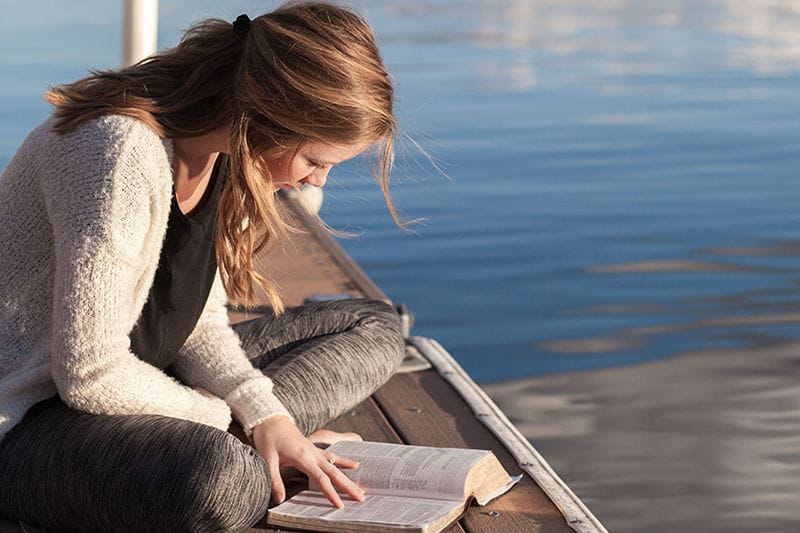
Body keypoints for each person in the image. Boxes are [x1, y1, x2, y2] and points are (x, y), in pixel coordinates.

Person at [0, 2, 407, 531]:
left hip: (145, 381)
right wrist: (231, 423)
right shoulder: (116, 153)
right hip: (31, 418)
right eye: (314, 162)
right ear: (266, 116)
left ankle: (270, 446)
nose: (317, 183)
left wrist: (268, 414)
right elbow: (89, 375)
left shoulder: (224, 156)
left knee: (373, 326)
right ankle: (253, 453)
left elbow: (197, 324)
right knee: (220, 480)